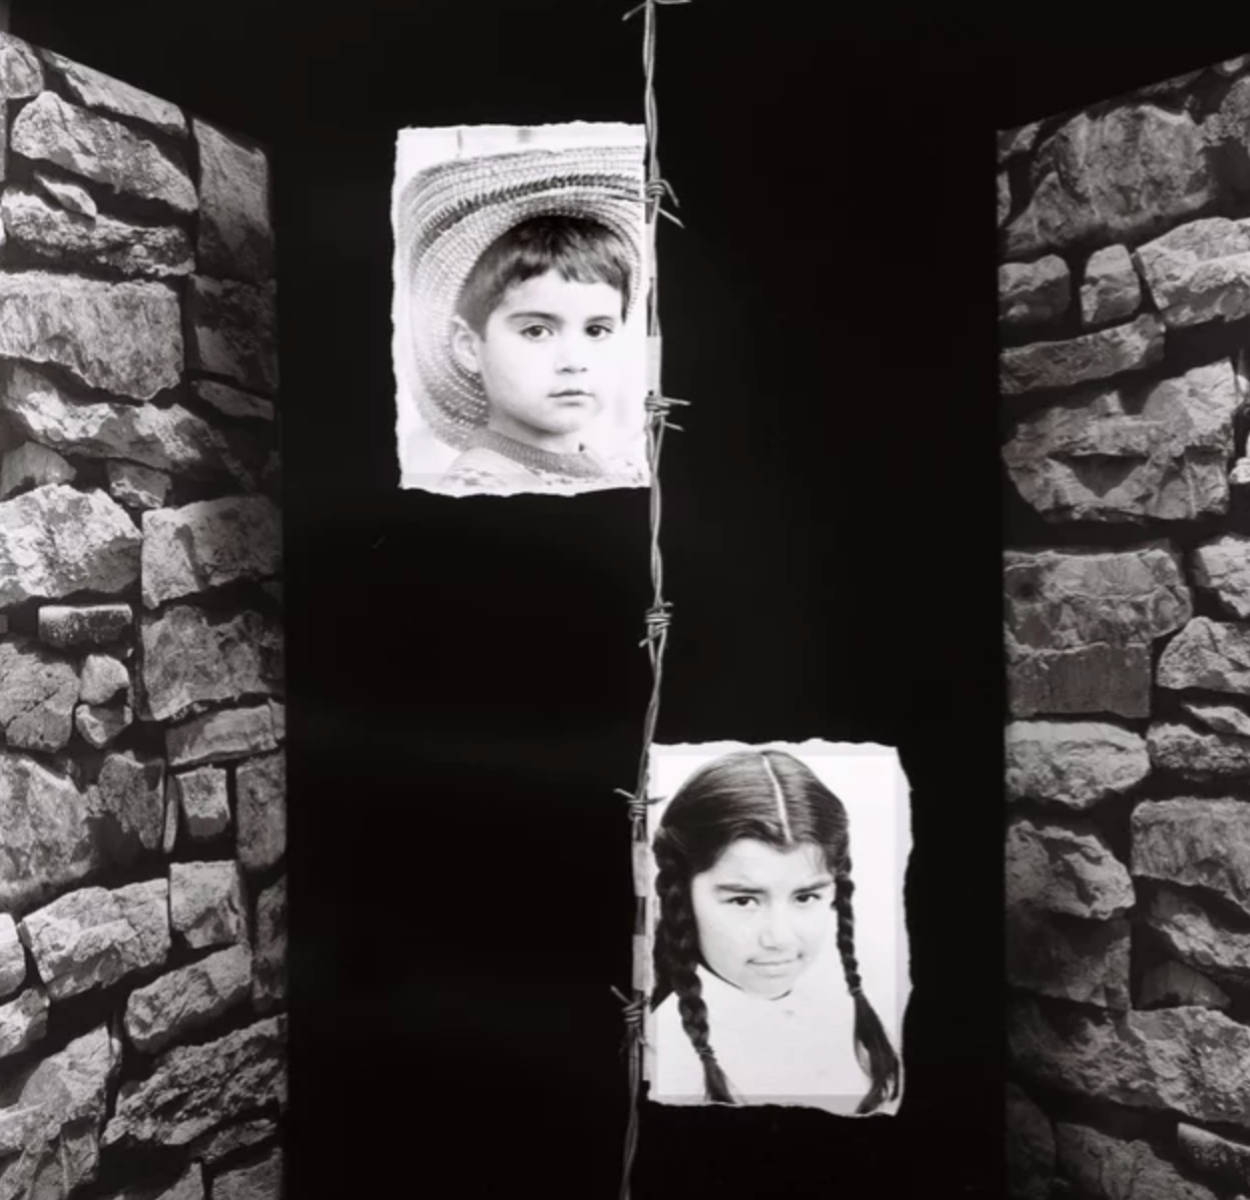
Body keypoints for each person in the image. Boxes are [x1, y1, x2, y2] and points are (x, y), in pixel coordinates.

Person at [648, 748, 902, 1115]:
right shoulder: (665, 1061)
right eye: (743, 900)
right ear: (683, 894)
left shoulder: (858, 1035)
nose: (779, 938)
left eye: (805, 896)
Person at [394, 141, 649, 494]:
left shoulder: (622, 470)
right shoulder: (479, 487)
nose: (574, 362)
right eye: (537, 330)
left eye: (596, 330)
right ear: (468, 346)